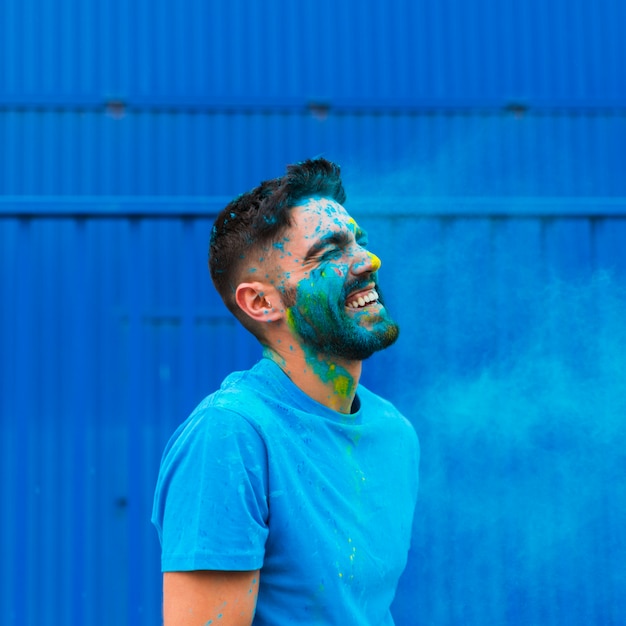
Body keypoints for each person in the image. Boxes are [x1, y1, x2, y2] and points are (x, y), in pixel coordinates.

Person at [151, 158, 420, 625]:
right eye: (329, 251)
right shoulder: (232, 435)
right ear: (261, 302)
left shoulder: (394, 432)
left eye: (360, 241)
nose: (367, 260)